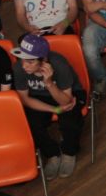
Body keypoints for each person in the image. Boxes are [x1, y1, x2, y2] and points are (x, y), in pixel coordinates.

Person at [12, 33, 85, 179]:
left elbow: (66, 102)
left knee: (70, 120)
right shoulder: (19, 67)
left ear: (44, 60)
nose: (24, 65)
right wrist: (54, 109)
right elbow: (24, 98)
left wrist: (49, 83)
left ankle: (69, 153)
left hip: (65, 94)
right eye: (22, 59)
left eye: (30, 61)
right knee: (30, 123)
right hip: (38, 97)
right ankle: (52, 154)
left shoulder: (59, 64)